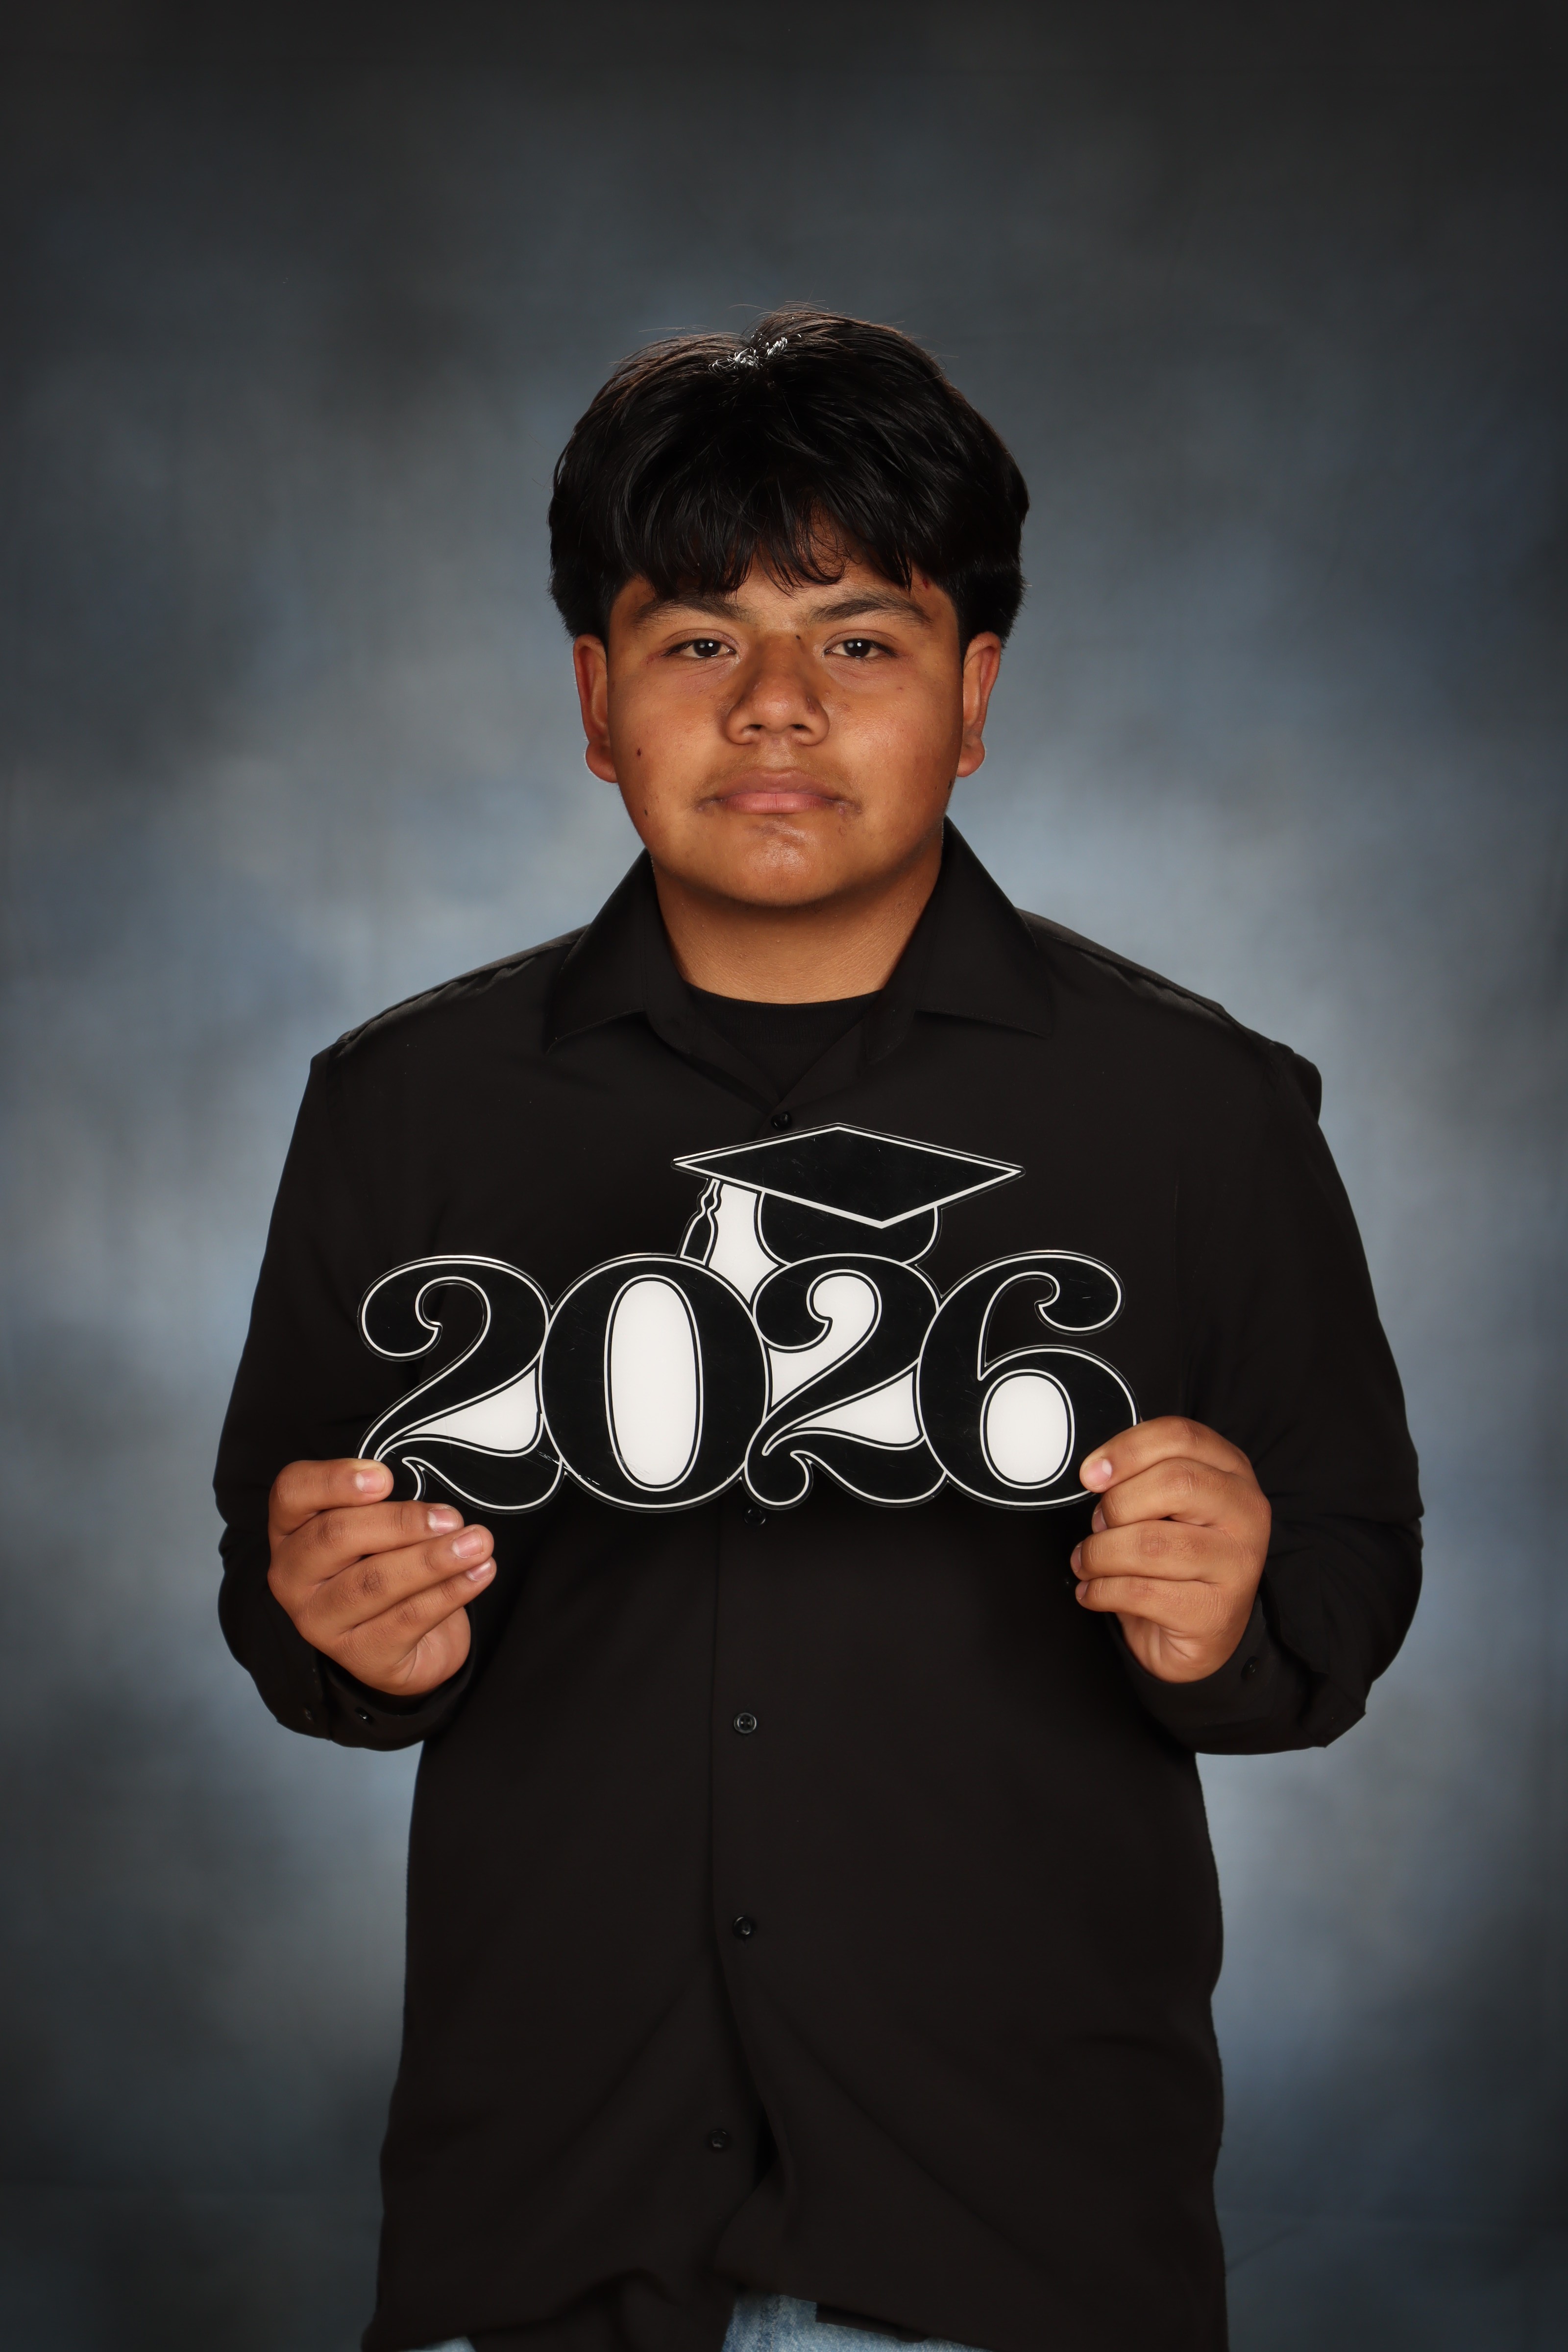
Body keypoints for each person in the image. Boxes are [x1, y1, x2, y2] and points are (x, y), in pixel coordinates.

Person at [214, 310, 1421, 2352]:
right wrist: (338, 1630)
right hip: (546, 2232)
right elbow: (281, 1581)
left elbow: (1347, 1574)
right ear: (595, 702)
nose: (774, 705)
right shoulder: (403, 1110)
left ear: (975, 694)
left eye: (858, 639)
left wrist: (1234, 1609)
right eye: (699, 640)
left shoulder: (1200, 1114)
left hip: (1022, 2242)